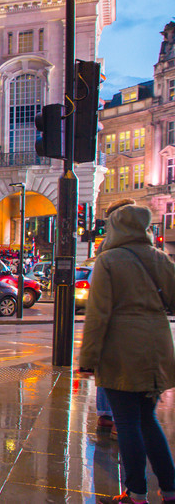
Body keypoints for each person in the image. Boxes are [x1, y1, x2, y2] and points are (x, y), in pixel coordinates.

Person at [79, 199, 175, 504]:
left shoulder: (108, 261)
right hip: (156, 344)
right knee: (148, 418)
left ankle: (135, 493)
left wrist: (88, 358)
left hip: (121, 349)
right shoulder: (160, 259)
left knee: (128, 422)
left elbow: (98, 315)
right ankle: (170, 488)